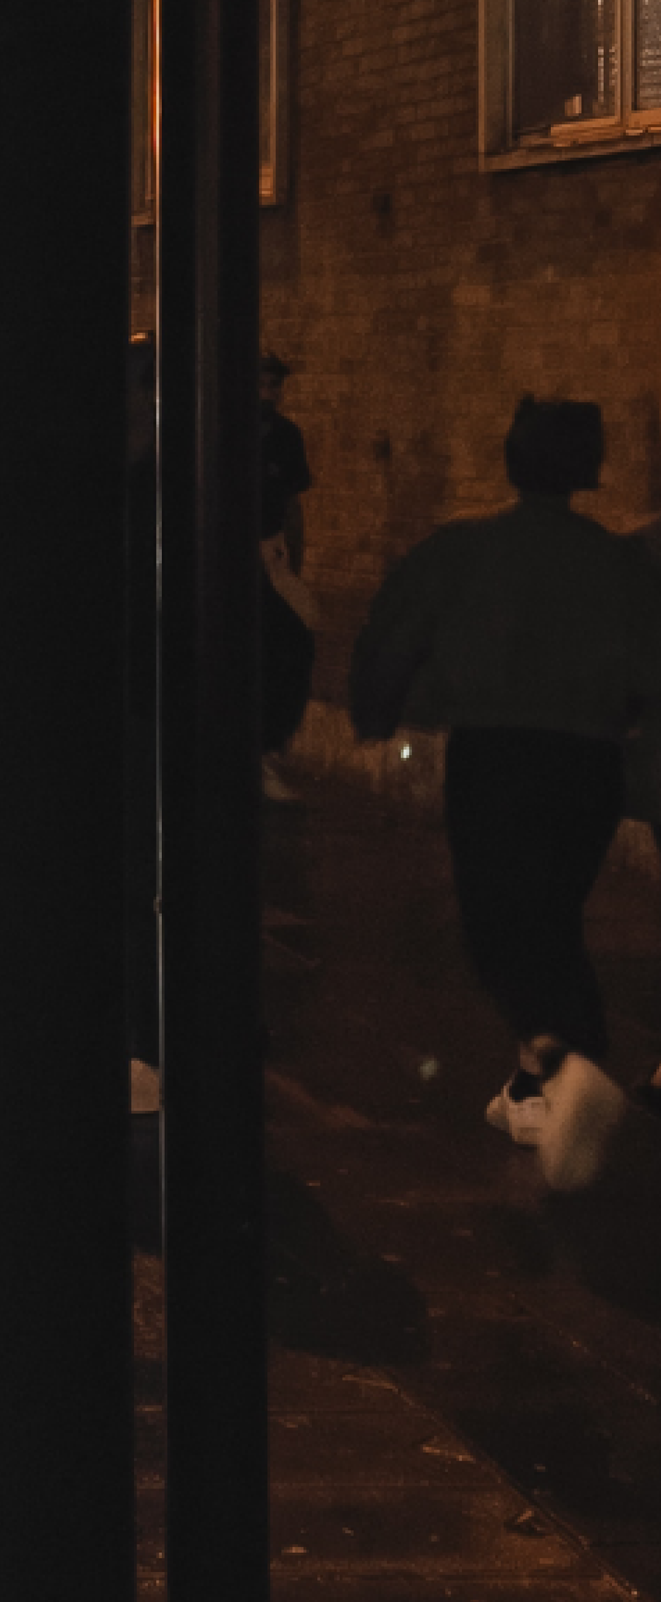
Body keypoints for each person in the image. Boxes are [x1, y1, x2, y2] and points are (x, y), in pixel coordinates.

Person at [350, 395, 661, 1190]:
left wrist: (376, 712)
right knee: (552, 907)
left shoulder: (464, 549)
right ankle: (538, 1079)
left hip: (497, 753)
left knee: (497, 921)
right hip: (589, 762)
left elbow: (396, 632)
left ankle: (563, 1051)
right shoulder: (619, 562)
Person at [258, 351, 317, 799]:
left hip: (269, 551)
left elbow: (292, 502)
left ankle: (271, 749)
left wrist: (294, 558)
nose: (271, 393)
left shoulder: (285, 435)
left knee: (299, 635)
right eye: (264, 383)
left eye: (276, 385)